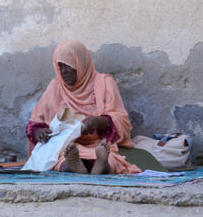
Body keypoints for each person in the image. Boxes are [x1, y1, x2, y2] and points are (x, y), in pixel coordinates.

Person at [26, 40, 141, 175]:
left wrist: (98, 121)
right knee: (63, 163)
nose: (64, 72)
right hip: (66, 146)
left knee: (109, 160)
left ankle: (101, 164)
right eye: (60, 67)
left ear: (80, 63)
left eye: (68, 66)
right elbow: (35, 122)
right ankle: (74, 165)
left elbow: (122, 120)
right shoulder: (55, 86)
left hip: (99, 145)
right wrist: (38, 132)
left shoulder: (104, 82)